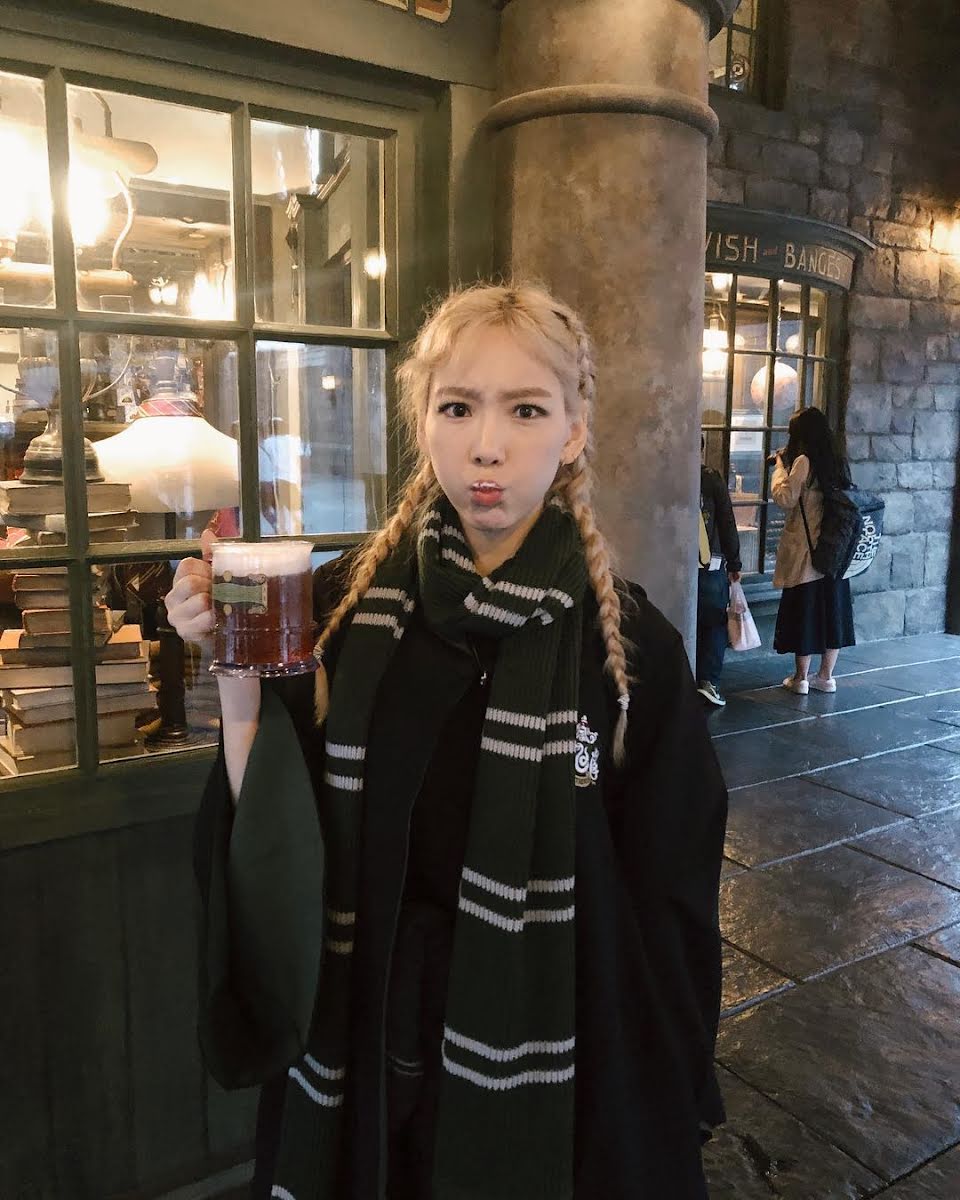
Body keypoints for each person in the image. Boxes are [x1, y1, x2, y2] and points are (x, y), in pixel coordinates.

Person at [166, 283, 728, 1200]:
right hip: (368, 1037)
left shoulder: (629, 651)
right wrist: (229, 663)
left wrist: (670, 1089)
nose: (487, 445)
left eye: (526, 410)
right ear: (422, 423)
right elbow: (274, 831)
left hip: (563, 1058)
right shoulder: (343, 609)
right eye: (457, 407)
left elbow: (670, 897)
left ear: (575, 431)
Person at [770, 406, 856, 694]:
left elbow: (785, 498)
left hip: (807, 552)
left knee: (805, 615)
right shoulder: (837, 460)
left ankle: (801, 678)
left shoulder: (803, 461)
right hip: (834, 551)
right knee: (832, 615)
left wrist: (779, 468)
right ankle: (826, 676)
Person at [696, 440, 742, 708]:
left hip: (674, 566)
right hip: (710, 565)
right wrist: (734, 563)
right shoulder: (711, 478)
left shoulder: (665, 477)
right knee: (714, 623)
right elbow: (727, 522)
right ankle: (708, 681)